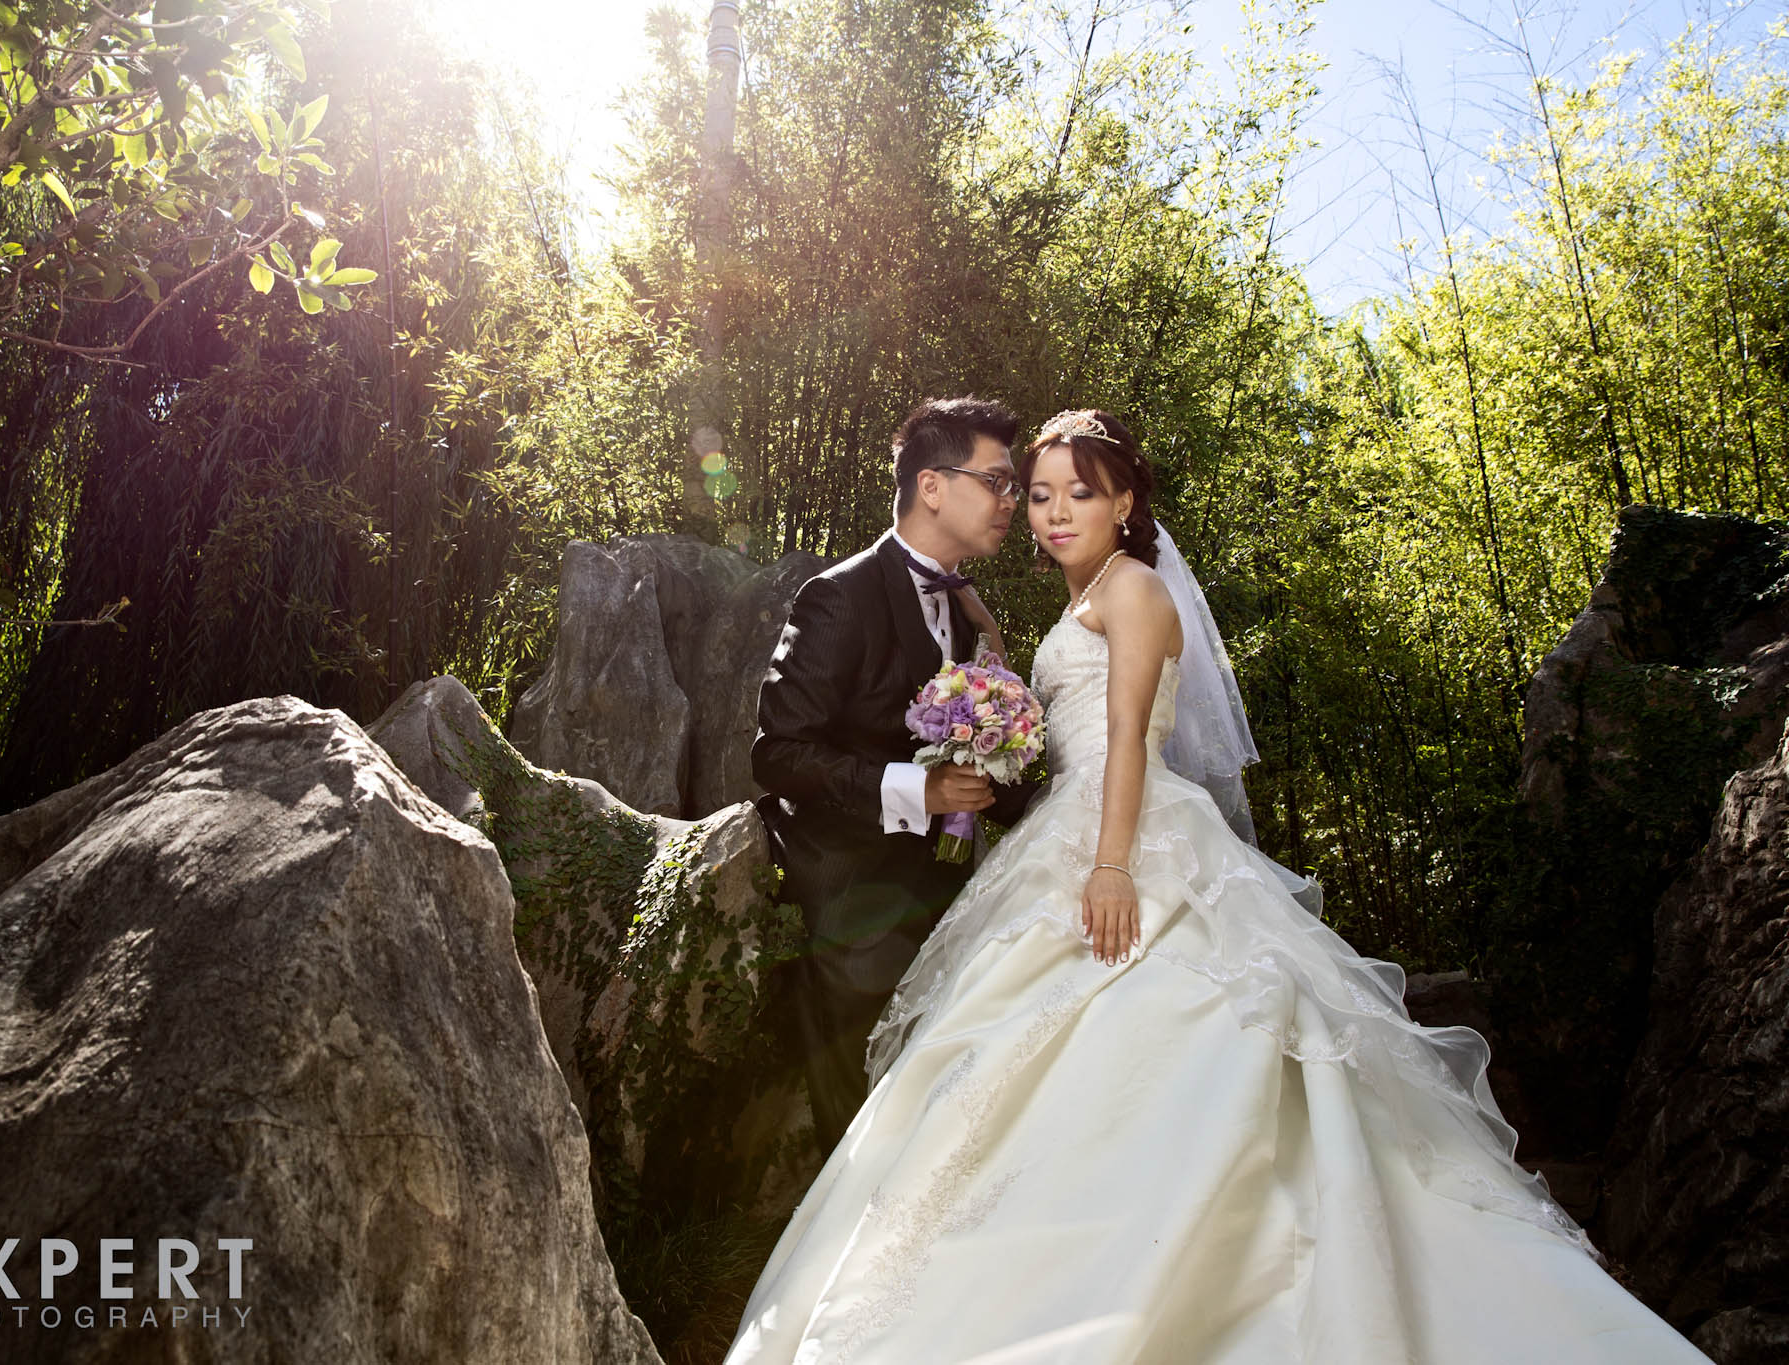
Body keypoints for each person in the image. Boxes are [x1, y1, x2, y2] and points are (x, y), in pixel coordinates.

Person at [725, 409, 1710, 1364]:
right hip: (1052, 834)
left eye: (1076, 493)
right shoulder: (1047, 602)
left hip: (1122, 840)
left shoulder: (1132, 590)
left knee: (1161, 1031)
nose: (1048, 510)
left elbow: (1124, 740)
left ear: (1124, 504)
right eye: (1034, 492)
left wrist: (1112, 866)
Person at [753, 395, 1041, 1154]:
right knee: (865, 1131)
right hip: (854, 892)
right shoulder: (839, 596)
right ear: (932, 487)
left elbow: (981, 758)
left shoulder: (970, 610)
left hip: (950, 890)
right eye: (996, 481)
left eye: (1013, 487)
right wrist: (921, 791)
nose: (1010, 502)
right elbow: (778, 752)